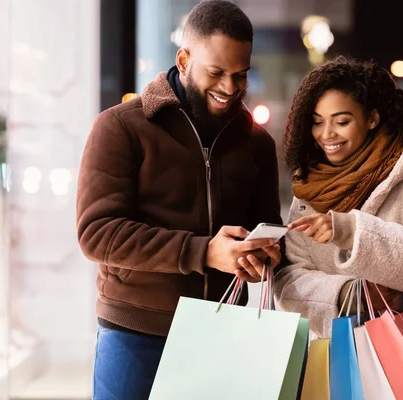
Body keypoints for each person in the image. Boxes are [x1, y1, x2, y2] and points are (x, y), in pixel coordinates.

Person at [76, 1, 282, 398]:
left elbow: (264, 224)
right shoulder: (121, 127)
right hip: (136, 334)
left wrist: (261, 254)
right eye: (216, 72)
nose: (230, 88)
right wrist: (203, 253)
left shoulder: (256, 143)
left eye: (240, 75)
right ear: (184, 59)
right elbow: (97, 233)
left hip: (220, 330)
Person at [273, 57, 403, 382]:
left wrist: (352, 232)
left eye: (341, 120)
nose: (326, 133)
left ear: (372, 118)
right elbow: (290, 278)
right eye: (318, 121)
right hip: (331, 363)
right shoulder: (310, 184)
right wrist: (349, 295)